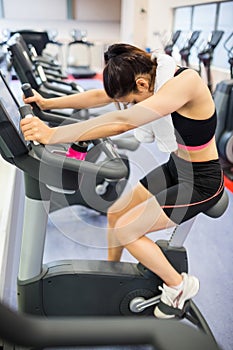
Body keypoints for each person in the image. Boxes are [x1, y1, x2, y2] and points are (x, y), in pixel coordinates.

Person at [20, 43, 224, 319]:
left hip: (201, 181)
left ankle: (178, 287)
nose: (130, 104)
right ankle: (112, 276)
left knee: (127, 230)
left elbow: (123, 121)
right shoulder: (146, 78)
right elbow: (98, 97)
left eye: (132, 99)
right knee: (116, 211)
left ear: (142, 83)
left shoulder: (186, 82)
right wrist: (48, 103)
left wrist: (52, 135)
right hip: (176, 167)